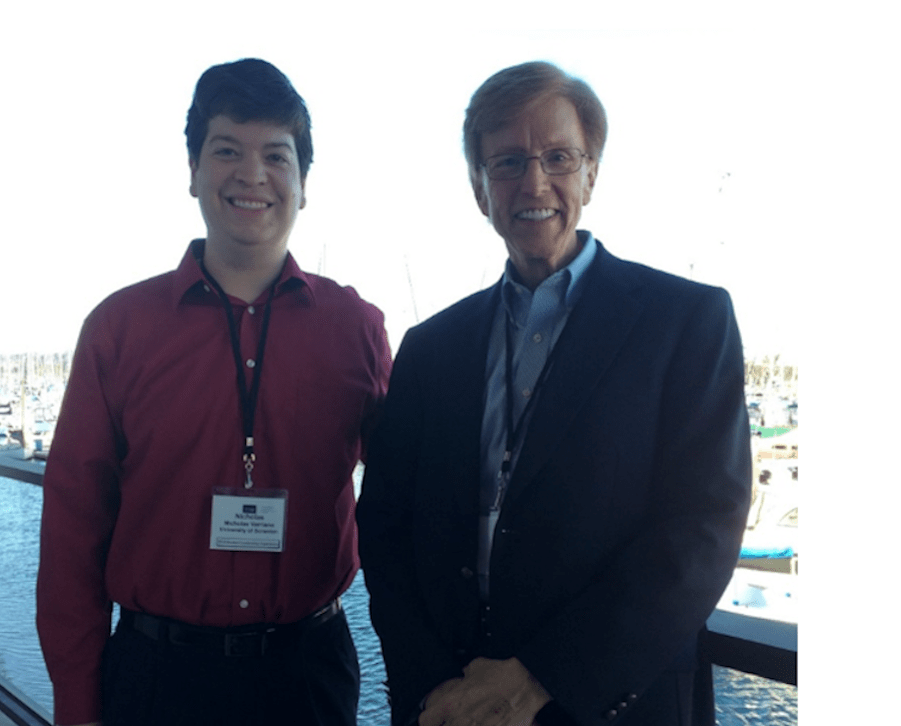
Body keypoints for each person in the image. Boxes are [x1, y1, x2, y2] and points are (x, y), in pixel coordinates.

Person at [356, 61, 751, 726]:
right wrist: (431, 690)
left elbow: (702, 528)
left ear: (591, 173)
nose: (533, 182)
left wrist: (539, 680)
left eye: (558, 157)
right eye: (507, 161)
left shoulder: (686, 321)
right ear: (480, 189)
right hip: (452, 707)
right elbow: (387, 528)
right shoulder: (430, 348)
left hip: (609, 704)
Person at [37, 58, 391, 726]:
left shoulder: (358, 329)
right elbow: (70, 537)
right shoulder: (118, 329)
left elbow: (406, 512)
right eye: (226, 150)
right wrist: (77, 709)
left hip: (306, 677)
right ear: (194, 171)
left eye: (275, 155)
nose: (252, 174)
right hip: (156, 680)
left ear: (303, 183)